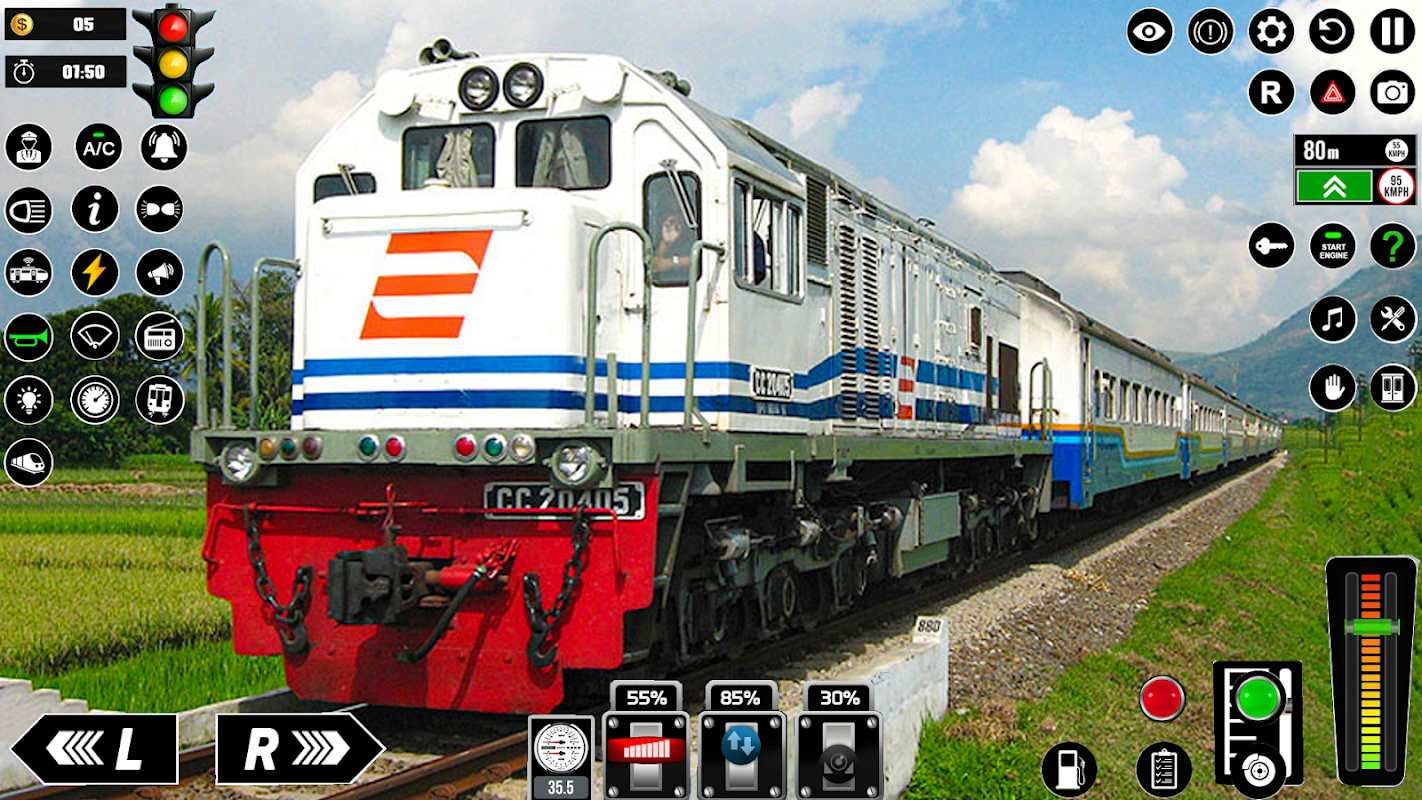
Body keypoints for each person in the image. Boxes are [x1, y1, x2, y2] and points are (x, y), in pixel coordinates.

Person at [651, 211, 695, 285]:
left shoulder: (695, 236)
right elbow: (655, 265)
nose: (673, 223)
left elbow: (700, 259)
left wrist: (672, 263)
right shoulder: (656, 240)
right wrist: (666, 242)